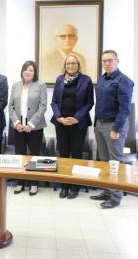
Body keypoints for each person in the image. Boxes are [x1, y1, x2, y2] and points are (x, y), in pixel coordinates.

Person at [90, 50, 134, 209]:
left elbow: (125, 109)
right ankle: (108, 191)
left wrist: (116, 129)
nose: (106, 63)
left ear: (117, 61)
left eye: (110, 60)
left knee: (115, 162)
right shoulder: (102, 79)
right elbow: (99, 104)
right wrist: (96, 125)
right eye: (104, 61)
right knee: (104, 160)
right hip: (100, 125)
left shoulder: (124, 81)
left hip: (114, 125)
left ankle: (116, 197)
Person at [51, 55, 94, 199]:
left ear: (78, 65)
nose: (70, 66)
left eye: (73, 63)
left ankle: (75, 186)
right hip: (61, 123)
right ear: (65, 65)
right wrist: (59, 117)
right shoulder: (59, 79)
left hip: (78, 124)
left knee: (76, 155)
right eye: (68, 63)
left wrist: (76, 118)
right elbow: (54, 101)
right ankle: (64, 185)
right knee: (63, 154)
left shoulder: (86, 80)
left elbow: (89, 103)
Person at [9, 61, 47, 196]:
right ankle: (20, 182)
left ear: (34, 72)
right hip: (18, 127)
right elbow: (10, 107)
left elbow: (43, 107)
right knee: (19, 155)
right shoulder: (15, 85)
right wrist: (16, 123)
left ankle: (34, 184)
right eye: (26, 69)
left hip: (34, 128)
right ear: (22, 71)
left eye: (31, 70)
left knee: (34, 156)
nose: (28, 72)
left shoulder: (40, 85)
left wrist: (31, 125)